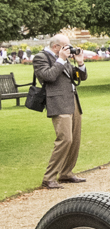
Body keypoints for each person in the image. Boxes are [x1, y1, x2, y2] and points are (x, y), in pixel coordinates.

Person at [33, 34, 88, 190]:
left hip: (73, 101)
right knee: (65, 139)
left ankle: (66, 173)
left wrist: (80, 63)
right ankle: (49, 178)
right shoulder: (41, 57)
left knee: (75, 140)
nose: (69, 49)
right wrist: (61, 60)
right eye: (66, 46)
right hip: (57, 102)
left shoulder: (63, 58)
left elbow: (80, 78)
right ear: (56, 46)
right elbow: (48, 76)